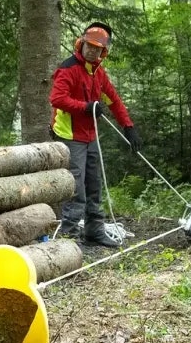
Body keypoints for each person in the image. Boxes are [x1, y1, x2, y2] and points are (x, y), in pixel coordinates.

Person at [49, 22, 141, 248]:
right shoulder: (68, 68)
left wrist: (128, 127)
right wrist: (85, 107)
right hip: (69, 136)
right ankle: (68, 239)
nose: (92, 51)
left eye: (97, 48)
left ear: (103, 52)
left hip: (90, 137)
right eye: (89, 46)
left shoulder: (99, 73)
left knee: (94, 184)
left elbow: (114, 100)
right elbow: (57, 99)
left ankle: (94, 231)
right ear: (81, 44)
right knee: (76, 186)